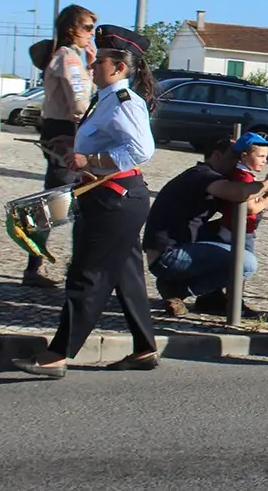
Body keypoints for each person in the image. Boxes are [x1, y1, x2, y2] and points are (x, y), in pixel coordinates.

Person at [13, 25, 162, 378]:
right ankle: (145, 348)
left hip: (116, 200)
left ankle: (57, 355)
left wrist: (90, 161)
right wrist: (75, 152)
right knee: (126, 277)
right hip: (111, 197)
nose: (92, 64)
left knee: (87, 275)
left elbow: (142, 150)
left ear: (120, 67)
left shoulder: (124, 101)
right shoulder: (108, 99)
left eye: (100, 60)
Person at [143, 135, 268, 317]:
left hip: (178, 246)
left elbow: (244, 214)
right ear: (217, 156)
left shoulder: (209, 177)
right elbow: (240, 194)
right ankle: (179, 289)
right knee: (245, 262)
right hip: (168, 256)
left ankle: (212, 298)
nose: (237, 162)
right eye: (233, 157)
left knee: (234, 234)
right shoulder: (202, 176)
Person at [23, 4, 98, 288]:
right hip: (68, 134)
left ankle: (39, 265)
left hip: (58, 130)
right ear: (71, 30)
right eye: (87, 28)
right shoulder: (68, 59)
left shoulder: (67, 57)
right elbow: (80, 103)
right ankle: (41, 267)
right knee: (60, 202)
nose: (91, 34)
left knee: (58, 200)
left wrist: (89, 66)